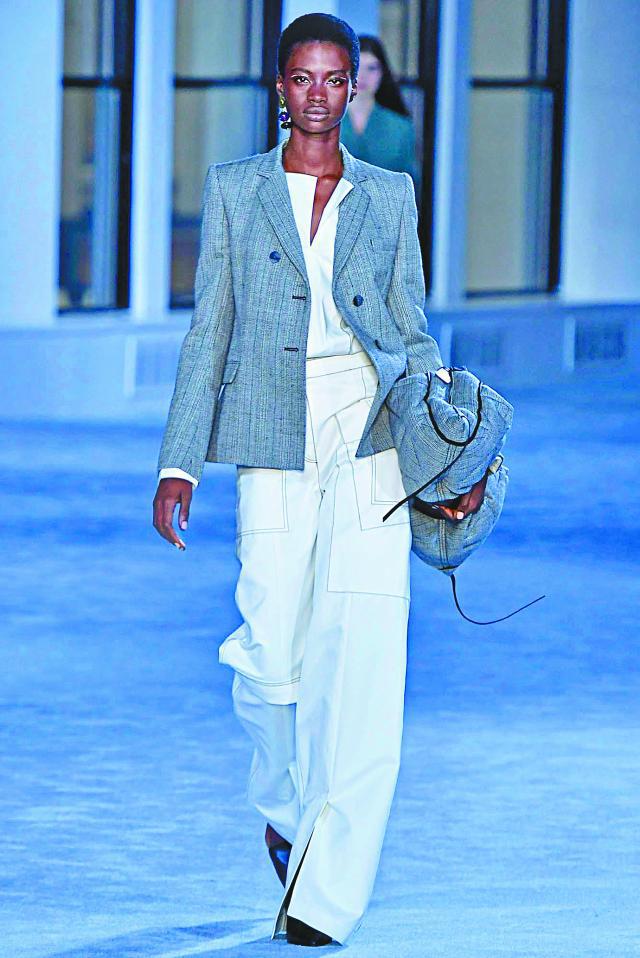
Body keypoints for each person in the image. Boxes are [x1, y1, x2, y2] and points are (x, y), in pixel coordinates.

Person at [152, 12, 478, 948]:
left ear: (354, 85)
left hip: (370, 431)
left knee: (363, 654)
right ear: (280, 87)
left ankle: (325, 897)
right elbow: (209, 330)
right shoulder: (236, 189)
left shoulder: (390, 194)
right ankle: (287, 808)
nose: (321, 95)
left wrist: (440, 455)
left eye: (337, 78)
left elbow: (412, 334)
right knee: (269, 658)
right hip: (271, 429)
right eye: (304, 78)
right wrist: (180, 461)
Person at [340, 34, 419, 187]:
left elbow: (410, 185)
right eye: (356, 67)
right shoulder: (321, 121)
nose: (362, 76)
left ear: (383, 73)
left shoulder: (401, 128)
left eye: (371, 68)